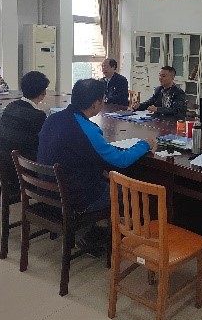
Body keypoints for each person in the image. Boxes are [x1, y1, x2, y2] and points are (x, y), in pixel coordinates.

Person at [38, 78, 156, 255]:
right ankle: (97, 235)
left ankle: (103, 224)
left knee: (105, 176)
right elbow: (121, 160)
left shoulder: (53, 118)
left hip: (46, 188)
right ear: (95, 104)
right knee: (122, 189)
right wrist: (145, 144)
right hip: (71, 196)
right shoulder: (87, 130)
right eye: (102, 100)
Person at [0, 71, 50, 186]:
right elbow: (44, 144)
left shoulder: (10, 107)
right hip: (24, 170)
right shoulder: (37, 115)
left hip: (6, 165)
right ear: (43, 92)